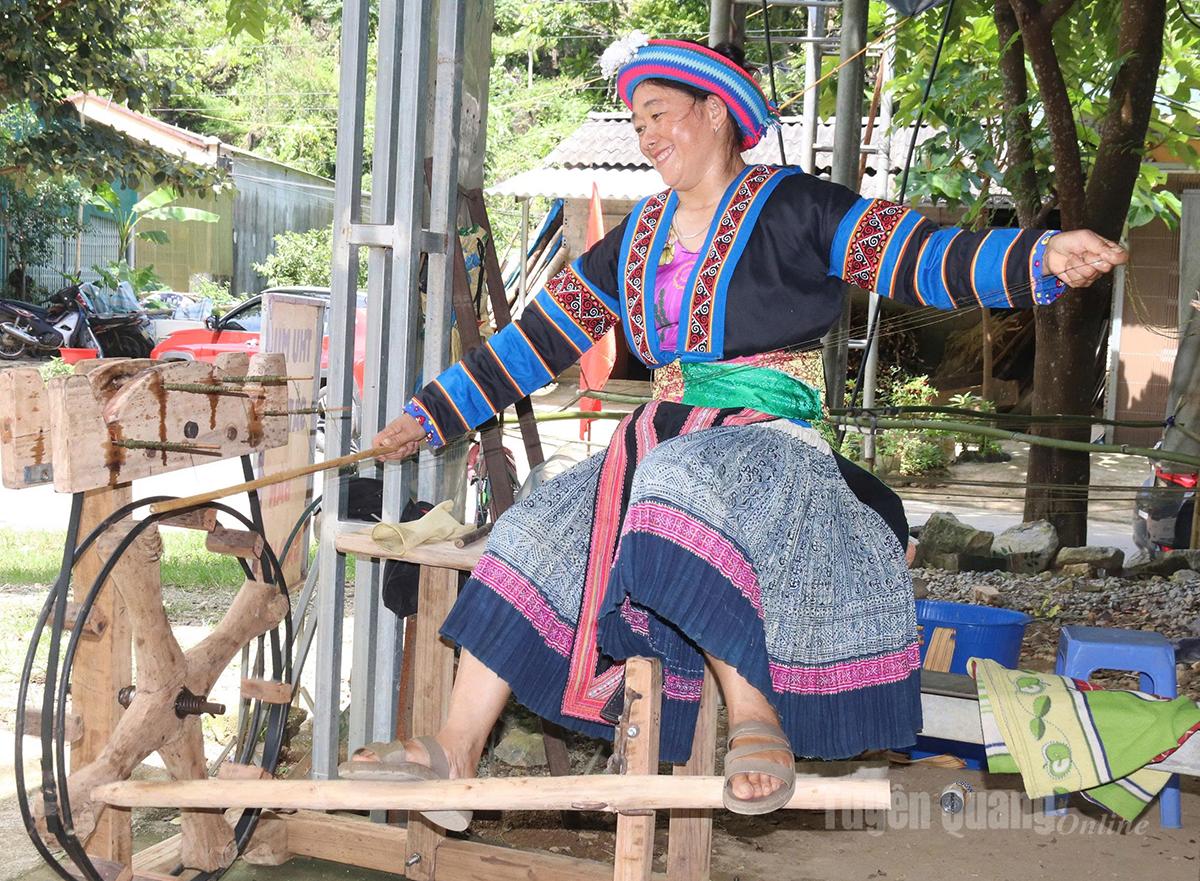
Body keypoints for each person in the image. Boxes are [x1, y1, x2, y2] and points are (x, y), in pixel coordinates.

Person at [344, 37, 1127, 823]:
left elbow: (919, 254)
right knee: (535, 523)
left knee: (677, 487)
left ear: (716, 112)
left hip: (767, 442)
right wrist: (426, 415)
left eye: (659, 115)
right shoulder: (634, 238)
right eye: (637, 121)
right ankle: (455, 748)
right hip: (657, 438)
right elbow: (535, 339)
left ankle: (758, 723)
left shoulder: (798, 206)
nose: (647, 136)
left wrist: (1039, 255)